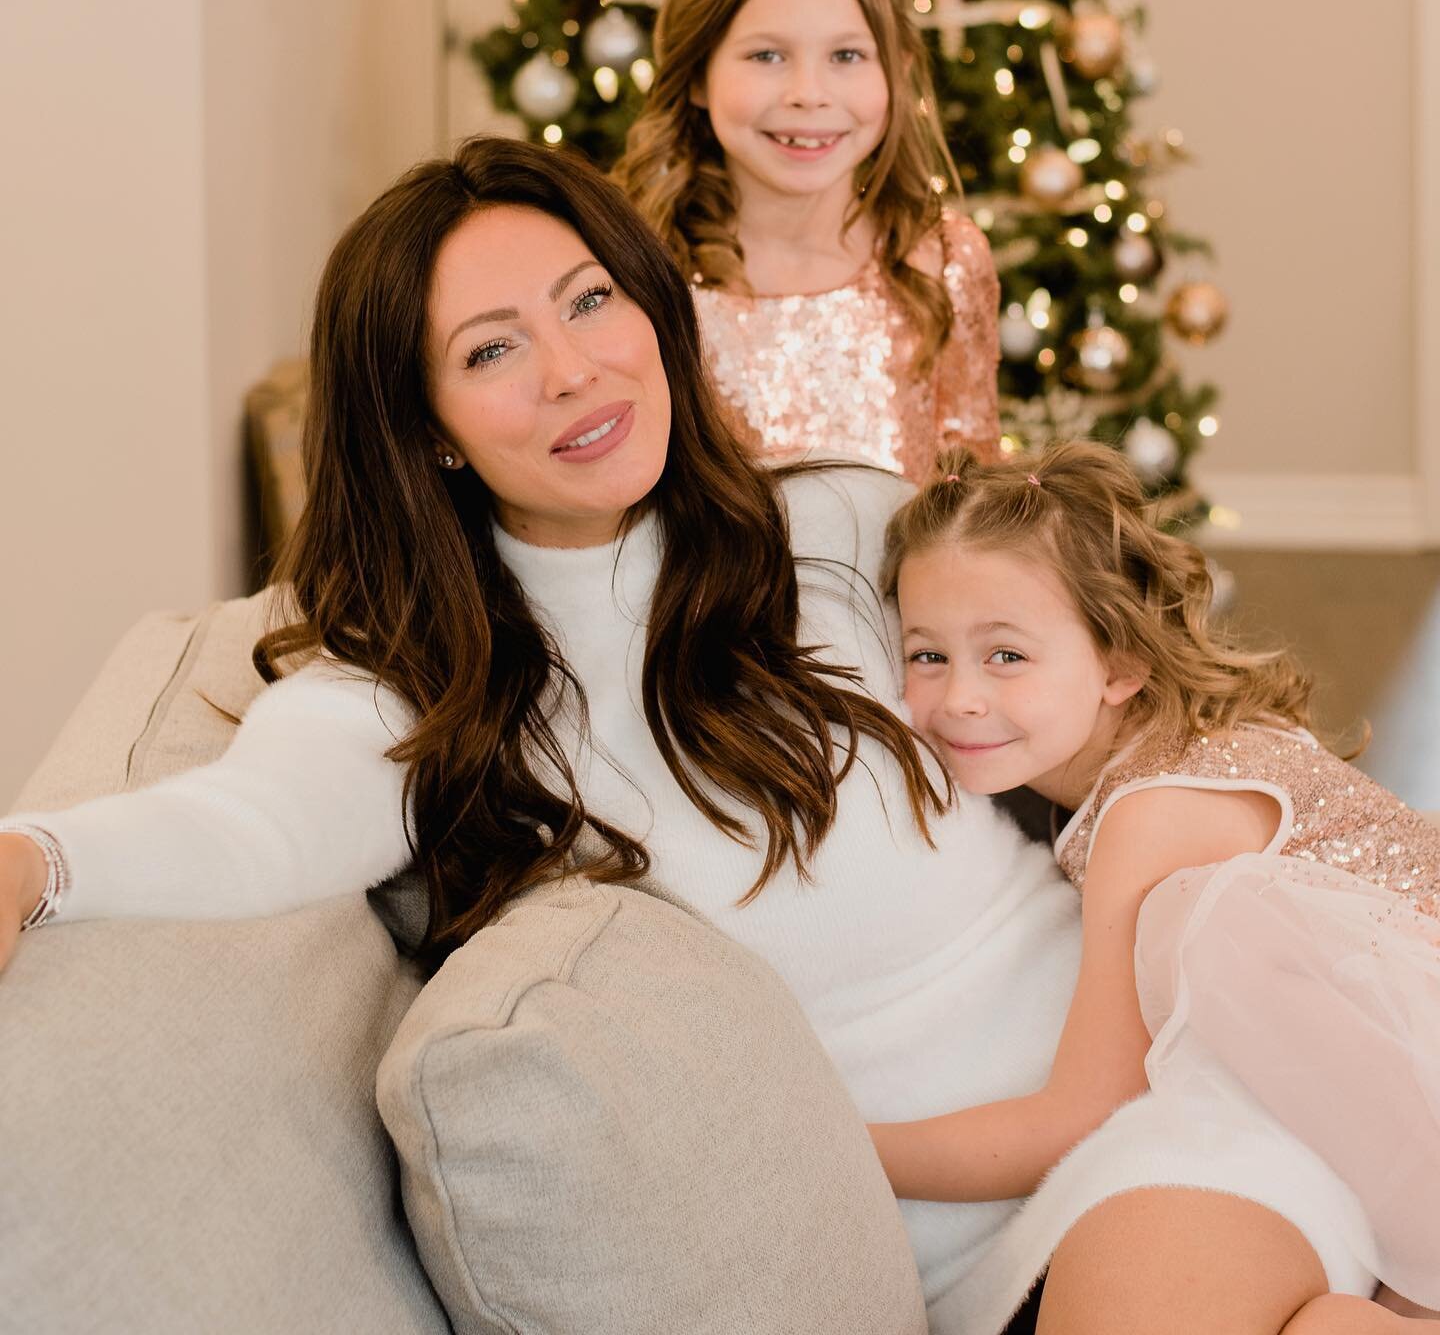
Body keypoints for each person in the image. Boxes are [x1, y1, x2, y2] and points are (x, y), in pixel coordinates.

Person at [0, 142, 1388, 1334]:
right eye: (492, 351)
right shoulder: (428, 697)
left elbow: (1104, 717)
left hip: (1155, 1115)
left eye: (590, 301)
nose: (573, 370)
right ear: (426, 430)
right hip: (936, 1236)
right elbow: (247, 825)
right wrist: (32, 861)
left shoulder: (842, 528)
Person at [872, 439, 1440, 1322]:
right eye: (926, 654)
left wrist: (846, 1146)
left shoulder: (1149, 818)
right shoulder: (1175, 746)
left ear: (1120, 664)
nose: (958, 700)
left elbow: (1080, 1115)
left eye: (1006, 656)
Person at [615, 0, 1000, 482]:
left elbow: (975, 500)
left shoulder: (945, 263)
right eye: (767, 56)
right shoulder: (635, 268)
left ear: (896, 73)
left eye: (846, 56)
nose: (809, 93)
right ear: (696, 77)